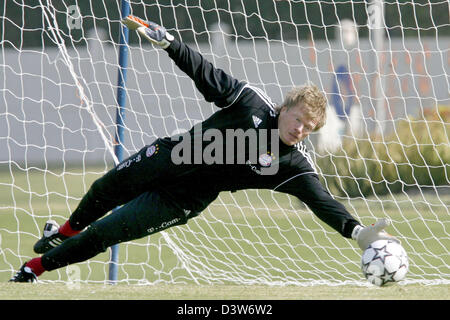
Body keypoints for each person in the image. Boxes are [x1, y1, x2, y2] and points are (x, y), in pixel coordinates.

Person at [10, 15, 399, 282]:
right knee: (102, 191)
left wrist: (358, 232)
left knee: (104, 235)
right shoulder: (248, 102)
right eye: (298, 119)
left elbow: (321, 200)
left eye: (310, 127)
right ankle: (63, 230)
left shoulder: (290, 165)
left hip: (182, 201)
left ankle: (31, 270)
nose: (301, 130)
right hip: (169, 156)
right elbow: (205, 72)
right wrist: (171, 43)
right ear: (285, 108)